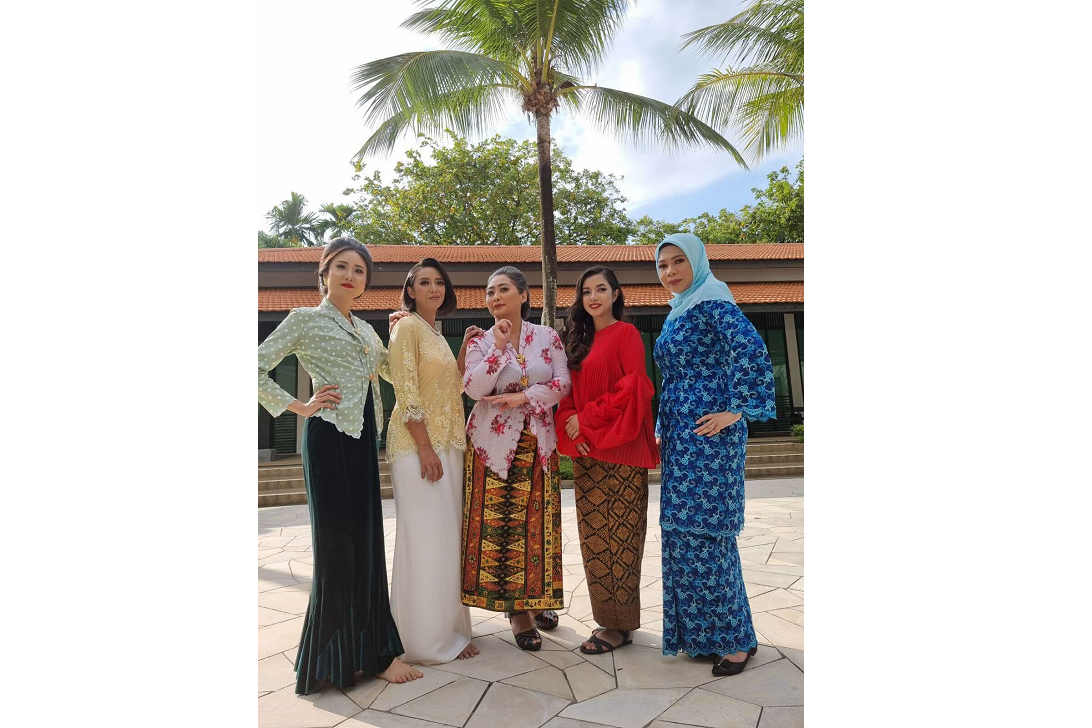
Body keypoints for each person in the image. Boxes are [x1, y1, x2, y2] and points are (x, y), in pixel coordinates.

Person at [257, 237, 423, 694]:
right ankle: (331, 660)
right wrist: (299, 405)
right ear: (324, 273)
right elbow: (254, 365)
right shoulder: (304, 320)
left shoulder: (368, 330)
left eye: (359, 270)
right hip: (329, 440)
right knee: (335, 548)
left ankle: (377, 654)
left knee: (367, 543)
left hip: (364, 442)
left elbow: (394, 372)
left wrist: (407, 331)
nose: (351, 276)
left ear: (366, 282)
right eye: (342, 267)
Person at [652, 233, 776, 677]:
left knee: (708, 533)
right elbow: (676, 378)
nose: (670, 271)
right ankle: (708, 635)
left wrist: (735, 411)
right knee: (683, 534)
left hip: (710, 438)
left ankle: (735, 642)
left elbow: (750, 349)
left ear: (698, 261)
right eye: (663, 265)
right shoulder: (679, 310)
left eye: (678, 261)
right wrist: (663, 426)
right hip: (684, 440)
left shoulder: (712, 298)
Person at [460, 266, 571, 651]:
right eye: (489, 292)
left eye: (503, 290)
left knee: (537, 524)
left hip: (539, 442)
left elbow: (561, 384)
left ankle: (538, 599)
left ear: (524, 295)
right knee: (502, 527)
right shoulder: (480, 340)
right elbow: (474, 387)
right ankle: (516, 611)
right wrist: (500, 348)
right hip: (493, 445)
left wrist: (522, 397)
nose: (494, 298)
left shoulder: (548, 336)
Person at [555, 266, 659, 655]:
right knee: (595, 541)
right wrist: (570, 424)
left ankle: (619, 626)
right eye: (586, 291)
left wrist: (587, 421)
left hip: (621, 452)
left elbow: (631, 389)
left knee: (622, 540)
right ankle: (607, 620)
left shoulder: (627, 335)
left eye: (602, 289)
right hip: (586, 453)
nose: (593, 297)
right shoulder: (575, 340)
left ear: (616, 294)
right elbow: (566, 391)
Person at [386, 259, 480, 664]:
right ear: (410, 290)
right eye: (424, 282)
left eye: (439, 282)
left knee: (444, 540)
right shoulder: (405, 327)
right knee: (426, 541)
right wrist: (424, 447)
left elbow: (452, 388)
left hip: (446, 445)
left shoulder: (434, 333)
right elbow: (406, 392)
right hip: (417, 446)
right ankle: (423, 642)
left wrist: (461, 353)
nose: (433, 288)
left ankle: (446, 631)